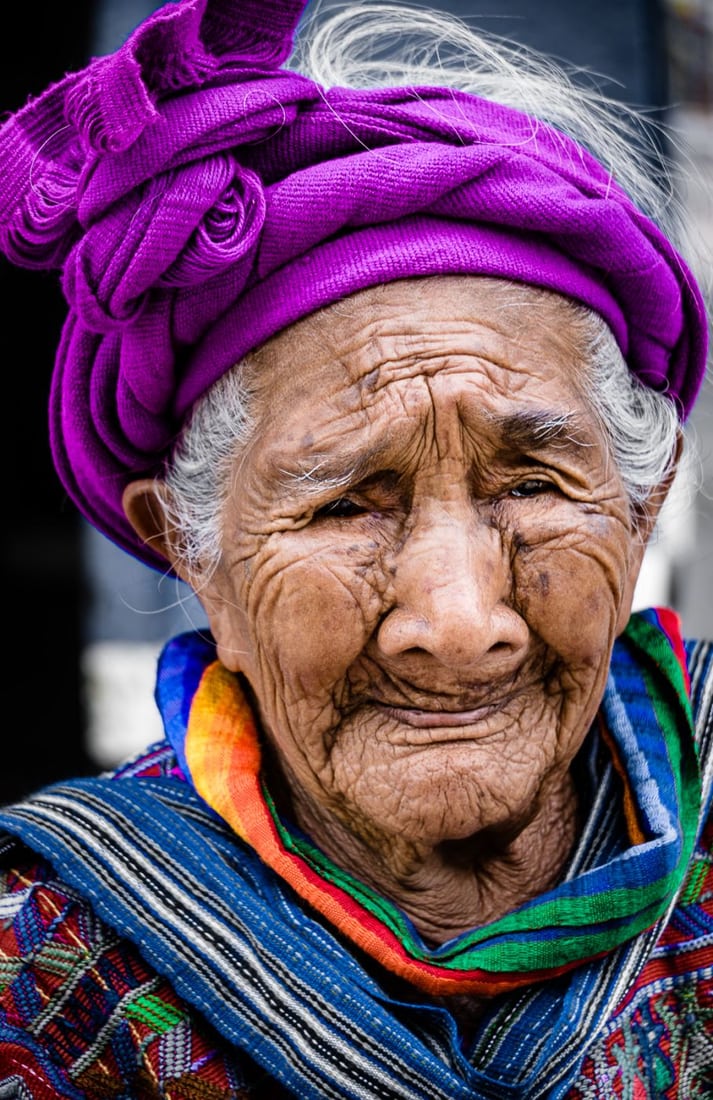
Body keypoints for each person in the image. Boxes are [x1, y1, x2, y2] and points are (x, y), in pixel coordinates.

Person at [0, 0, 711, 1096]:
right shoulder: (43, 963)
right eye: (345, 506)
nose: (459, 620)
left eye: (530, 484)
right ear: (187, 548)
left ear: (640, 500)